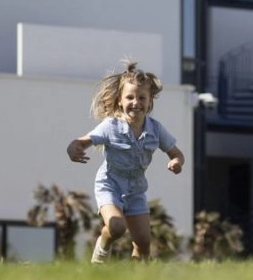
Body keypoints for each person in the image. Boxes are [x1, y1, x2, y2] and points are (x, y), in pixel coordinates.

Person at [67, 61, 185, 263]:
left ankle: (137, 277)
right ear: (120, 101)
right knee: (117, 227)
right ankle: (99, 258)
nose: (135, 102)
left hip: (136, 190)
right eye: (129, 97)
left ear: (149, 103)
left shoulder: (156, 130)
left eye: (141, 97)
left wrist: (176, 162)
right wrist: (74, 148)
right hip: (110, 185)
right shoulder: (110, 126)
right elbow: (84, 141)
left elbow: (176, 153)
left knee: (144, 243)